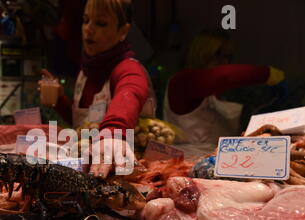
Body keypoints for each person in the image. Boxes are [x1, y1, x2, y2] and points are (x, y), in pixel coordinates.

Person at [39, 0, 156, 178]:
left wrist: (113, 132)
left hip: (126, 174)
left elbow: (130, 92)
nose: (89, 29)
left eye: (100, 23)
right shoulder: (85, 73)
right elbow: (84, 125)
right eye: (86, 20)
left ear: (123, 31)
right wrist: (61, 101)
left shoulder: (129, 69)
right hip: (91, 169)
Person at [163, 29, 287, 147]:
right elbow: (224, 75)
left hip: (217, 157)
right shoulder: (182, 81)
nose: (225, 61)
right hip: (188, 158)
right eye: (219, 54)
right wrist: (268, 74)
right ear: (202, 54)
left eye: (229, 56)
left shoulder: (212, 91)